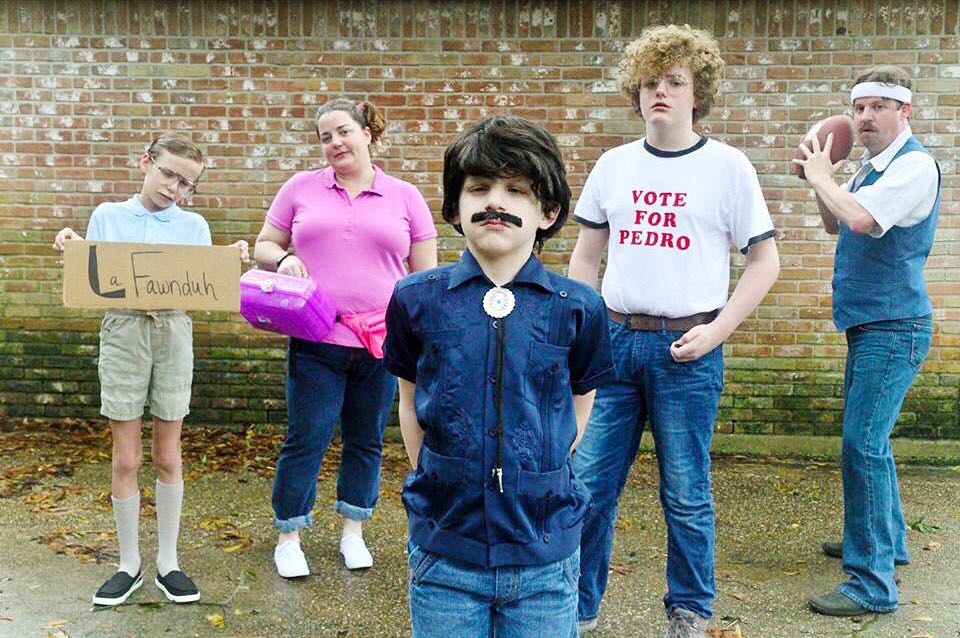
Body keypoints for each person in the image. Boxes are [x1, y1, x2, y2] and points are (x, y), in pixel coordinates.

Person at [567, 25, 780, 637]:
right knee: (587, 487)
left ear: (697, 94)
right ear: (636, 93)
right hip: (613, 347)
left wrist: (719, 331)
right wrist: (585, 327)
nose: (660, 92)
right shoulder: (613, 165)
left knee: (686, 492)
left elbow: (764, 261)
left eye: (675, 82)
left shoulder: (728, 168)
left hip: (689, 350)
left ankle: (689, 610)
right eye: (650, 82)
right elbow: (585, 257)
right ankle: (576, 609)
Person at [382, 115, 614, 638]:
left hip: (543, 550)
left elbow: (581, 397)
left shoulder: (577, 307)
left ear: (547, 211)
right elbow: (409, 398)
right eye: (479, 188)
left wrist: (541, 461)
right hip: (446, 549)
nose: (496, 202)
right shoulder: (416, 299)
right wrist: (435, 472)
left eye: (517, 190)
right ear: (455, 208)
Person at [53, 132, 250, 606]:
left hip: (173, 333)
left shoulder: (193, 226)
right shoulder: (108, 215)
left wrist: (230, 265)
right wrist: (72, 245)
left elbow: (202, 289)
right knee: (125, 457)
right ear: (145, 162)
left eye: (186, 184)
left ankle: (168, 561)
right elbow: (95, 274)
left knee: (168, 454)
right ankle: (128, 563)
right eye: (168, 174)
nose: (174, 188)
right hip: (123, 332)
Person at [253, 98, 437, 578]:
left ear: (368, 133)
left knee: (366, 439)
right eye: (325, 137)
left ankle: (353, 532)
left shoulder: (405, 196)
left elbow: (427, 276)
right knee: (307, 436)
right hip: (316, 338)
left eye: (342, 132)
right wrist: (281, 258)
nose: (334, 143)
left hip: (381, 344)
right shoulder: (300, 188)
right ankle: (289, 536)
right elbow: (264, 244)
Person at [794, 66, 940, 617]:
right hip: (869, 324)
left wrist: (822, 176)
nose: (865, 118)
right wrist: (822, 179)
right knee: (869, 441)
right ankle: (891, 541)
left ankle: (871, 585)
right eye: (859, 108)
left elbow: (858, 220)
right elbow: (835, 222)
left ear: (905, 111)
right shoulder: (868, 169)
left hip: (895, 326)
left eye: (879, 107)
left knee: (862, 444)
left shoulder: (914, 167)